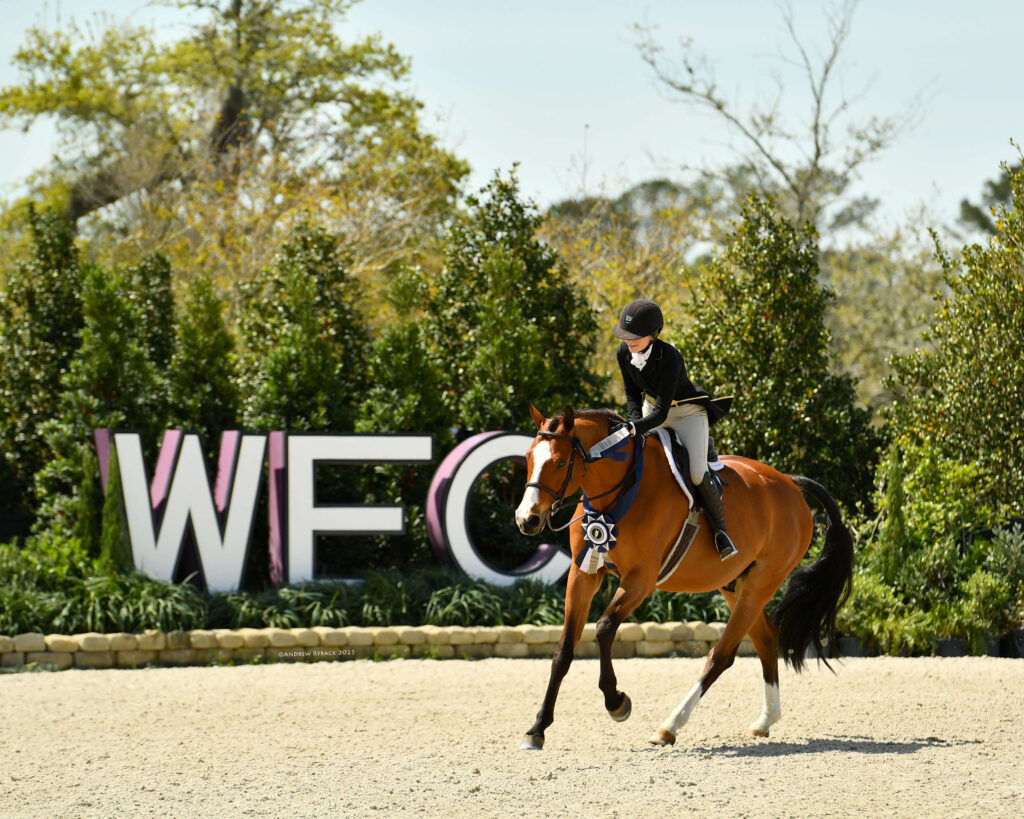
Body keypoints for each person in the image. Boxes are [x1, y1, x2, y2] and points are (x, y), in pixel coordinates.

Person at [612, 298, 738, 561]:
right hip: (651, 408)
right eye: (626, 335)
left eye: (635, 336)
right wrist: (634, 424)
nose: (629, 341)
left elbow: (662, 414)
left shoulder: (670, 357)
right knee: (637, 458)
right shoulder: (623, 352)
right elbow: (632, 394)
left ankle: (721, 531)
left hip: (686, 413)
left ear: (654, 334)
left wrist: (635, 427)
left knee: (696, 473)